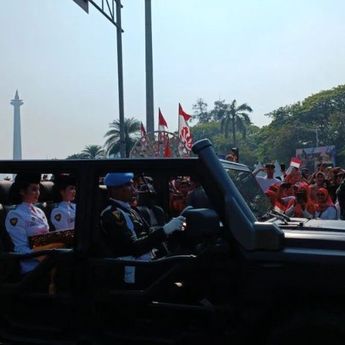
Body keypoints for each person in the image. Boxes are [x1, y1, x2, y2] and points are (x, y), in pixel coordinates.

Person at [100, 172, 185, 260]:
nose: (134, 190)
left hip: (145, 262)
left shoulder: (131, 210)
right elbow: (132, 248)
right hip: (130, 268)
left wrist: (169, 228)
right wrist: (165, 230)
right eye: (129, 185)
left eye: (134, 185)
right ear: (115, 190)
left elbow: (147, 233)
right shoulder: (112, 214)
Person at [5, 173, 63, 274]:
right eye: (34, 189)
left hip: (48, 262)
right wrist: (45, 255)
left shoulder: (39, 211)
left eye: (39, 189)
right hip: (32, 269)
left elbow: (47, 238)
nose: (38, 193)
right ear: (22, 191)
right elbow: (21, 249)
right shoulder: (15, 215)